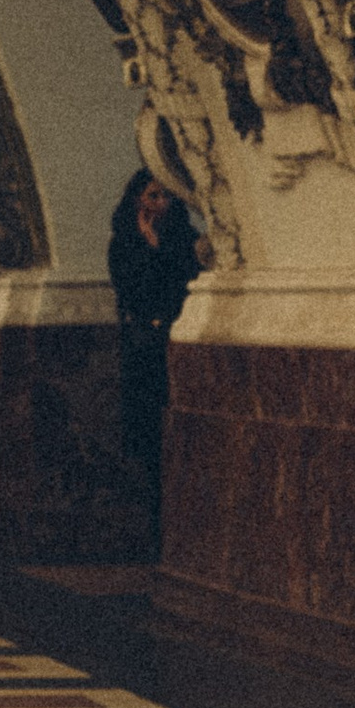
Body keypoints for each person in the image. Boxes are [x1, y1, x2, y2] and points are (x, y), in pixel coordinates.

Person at [108, 165, 201, 526]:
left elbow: (183, 281)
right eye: (152, 196)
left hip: (173, 343)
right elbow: (135, 292)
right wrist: (148, 247)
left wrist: (160, 248)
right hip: (143, 350)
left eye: (166, 195)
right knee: (149, 440)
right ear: (137, 200)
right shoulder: (123, 243)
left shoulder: (184, 239)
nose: (160, 203)